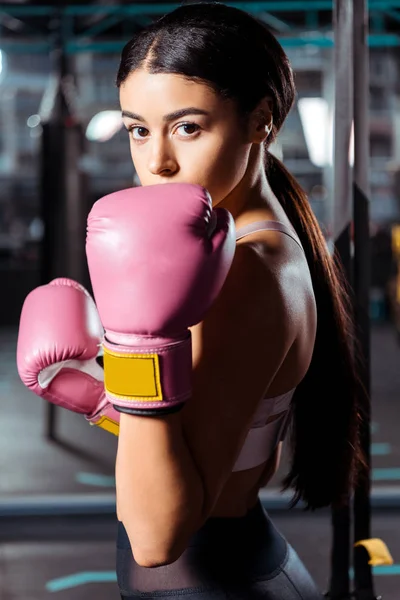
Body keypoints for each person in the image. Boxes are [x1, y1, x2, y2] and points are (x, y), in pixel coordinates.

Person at [17, 3, 365, 599]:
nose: (157, 162)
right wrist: (105, 401)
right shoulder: (259, 234)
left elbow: (155, 537)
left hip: (204, 578)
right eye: (137, 129)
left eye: (188, 127)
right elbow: (215, 439)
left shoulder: (247, 274)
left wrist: (135, 345)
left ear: (261, 120)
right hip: (239, 557)